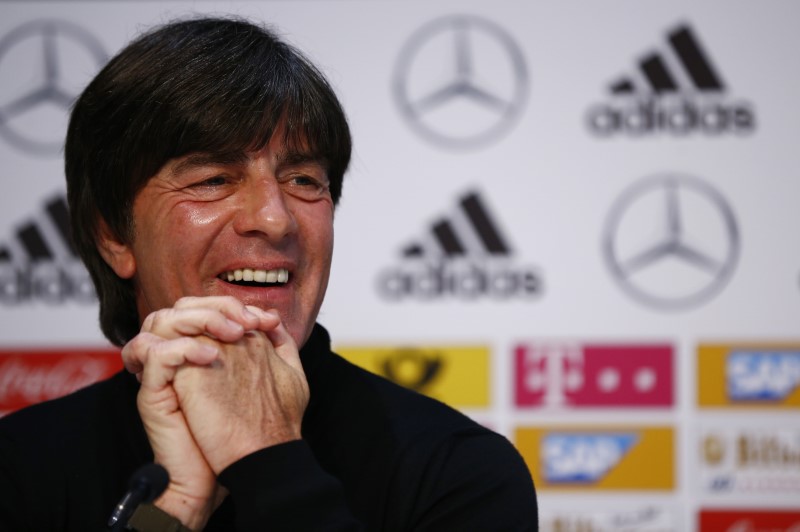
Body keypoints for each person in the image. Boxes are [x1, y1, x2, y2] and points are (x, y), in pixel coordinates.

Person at [0, 16, 538, 531]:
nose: (274, 218)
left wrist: (267, 457)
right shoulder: (20, 469)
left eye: (303, 179)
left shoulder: (457, 471)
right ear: (113, 235)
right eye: (213, 179)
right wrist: (174, 509)